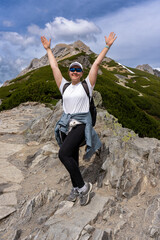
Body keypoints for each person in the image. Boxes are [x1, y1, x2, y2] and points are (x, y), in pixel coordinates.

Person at [41, 32, 117, 206]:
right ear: (69, 72)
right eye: (72, 69)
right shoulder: (64, 86)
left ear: (82, 73)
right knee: (72, 158)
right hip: (67, 125)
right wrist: (48, 50)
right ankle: (76, 187)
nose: (75, 72)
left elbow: (96, 64)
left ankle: (83, 188)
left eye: (78, 70)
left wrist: (107, 46)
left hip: (82, 124)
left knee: (63, 154)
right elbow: (54, 68)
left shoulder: (87, 86)